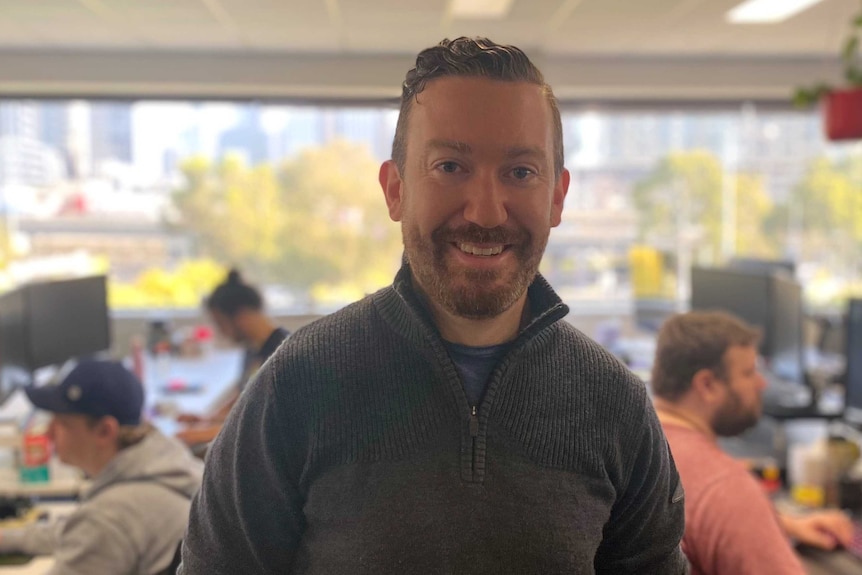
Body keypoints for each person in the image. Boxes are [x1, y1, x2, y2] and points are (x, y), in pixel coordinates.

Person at [180, 37, 686, 574]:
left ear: (557, 196)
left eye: (520, 172)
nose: (487, 212)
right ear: (395, 189)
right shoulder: (297, 385)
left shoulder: (615, 405)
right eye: (450, 166)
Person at [650, 310, 854, 575]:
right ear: (707, 385)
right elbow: (720, 504)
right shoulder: (725, 485)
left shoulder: (639, 445)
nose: (761, 383)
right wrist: (750, 516)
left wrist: (779, 524)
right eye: (748, 373)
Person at [0, 359, 203, 575]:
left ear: (105, 431)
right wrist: (8, 539)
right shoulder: (166, 462)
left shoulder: (110, 516)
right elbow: (77, 533)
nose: (48, 434)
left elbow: (96, 529)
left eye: (61, 424)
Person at [174, 269, 289, 447]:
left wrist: (203, 433)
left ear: (241, 315)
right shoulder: (252, 350)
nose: (220, 331)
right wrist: (207, 419)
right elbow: (242, 402)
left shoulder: (283, 353)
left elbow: (264, 425)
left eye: (220, 323)